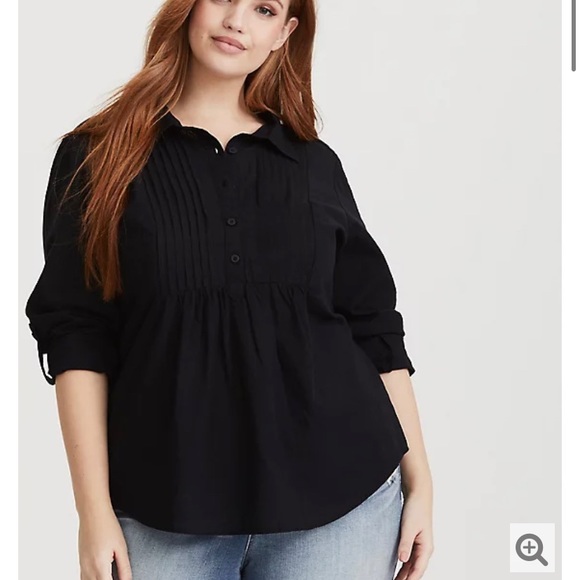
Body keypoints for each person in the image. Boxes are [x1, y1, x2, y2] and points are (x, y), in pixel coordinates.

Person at [24, 0, 434, 578]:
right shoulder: (96, 155)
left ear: (284, 33)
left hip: (342, 501)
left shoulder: (313, 163)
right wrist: (92, 512)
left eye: (264, 9)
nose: (237, 20)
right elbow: (76, 336)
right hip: (163, 504)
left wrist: (421, 482)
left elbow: (373, 328)